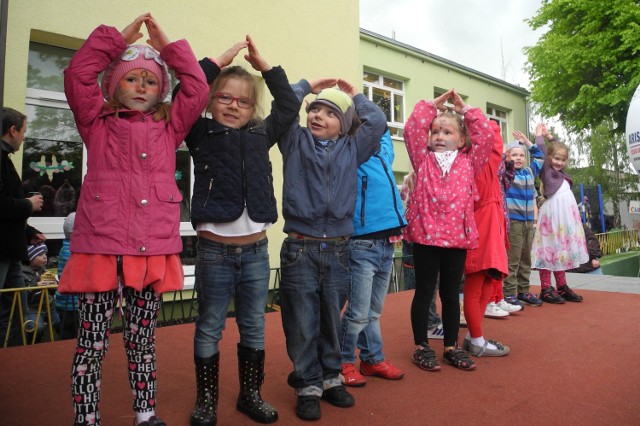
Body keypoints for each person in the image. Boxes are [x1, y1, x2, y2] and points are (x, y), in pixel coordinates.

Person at [58, 14, 208, 426]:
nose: (141, 86)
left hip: (149, 252)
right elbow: (77, 75)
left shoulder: (169, 127)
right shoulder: (95, 122)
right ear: (112, 85)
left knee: (142, 340)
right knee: (91, 342)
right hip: (100, 249)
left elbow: (196, 89)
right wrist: (113, 41)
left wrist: (168, 47)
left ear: (162, 91)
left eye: (151, 80)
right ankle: (86, 417)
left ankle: (146, 415)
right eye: (130, 78)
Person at [176, 37, 299, 426]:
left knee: (254, 324)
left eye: (243, 101)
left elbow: (289, 104)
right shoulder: (200, 132)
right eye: (224, 98)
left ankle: (250, 395)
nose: (233, 106)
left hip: (256, 252)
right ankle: (206, 401)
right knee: (210, 325)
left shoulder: (263, 133)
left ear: (253, 108)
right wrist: (217, 61)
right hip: (214, 252)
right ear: (211, 101)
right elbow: (183, 96)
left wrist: (266, 68)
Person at [278, 80, 386, 420]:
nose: (318, 116)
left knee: (330, 319)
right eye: (314, 109)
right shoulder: (295, 142)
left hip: (339, 249)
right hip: (300, 248)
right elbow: (282, 111)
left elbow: (378, 121)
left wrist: (355, 93)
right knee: (302, 322)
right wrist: (307, 87)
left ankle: (330, 377)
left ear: (345, 123)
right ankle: (307, 384)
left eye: (330, 112)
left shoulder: (353, 148)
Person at [403, 89, 493, 372]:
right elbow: (411, 129)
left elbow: (487, 137)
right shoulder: (422, 158)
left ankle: (451, 347)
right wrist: (431, 106)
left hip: (456, 239)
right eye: (436, 132)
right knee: (425, 291)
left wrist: (466, 111)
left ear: (462, 139)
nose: (439, 136)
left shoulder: (470, 161)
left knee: (452, 295)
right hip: (426, 237)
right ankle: (422, 346)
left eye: (447, 132)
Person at [339, 129, 407, 387]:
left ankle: (372, 359)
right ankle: (343, 361)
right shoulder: (351, 155)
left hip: (387, 245)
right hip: (361, 244)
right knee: (357, 312)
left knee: (373, 311)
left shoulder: (384, 153)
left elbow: (382, 128)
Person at [462, 120, 511, 358]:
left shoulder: (474, 163)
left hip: (489, 232)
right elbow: (495, 138)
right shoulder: (480, 164)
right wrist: (477, 119)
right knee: (475, 289)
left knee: (486, 287)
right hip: (482, 233)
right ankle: (476, 340)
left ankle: (474, 335)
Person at [1, 107, 45, 346]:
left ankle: (16, 355)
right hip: (3, 252)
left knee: (19, 306)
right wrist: (27, 204)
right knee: (10, 307)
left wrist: (29, 232)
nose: (24, 137)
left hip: (12, 251)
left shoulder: (5, 160)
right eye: (24, 131)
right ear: (12, 130)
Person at [531, 123, 589, 303]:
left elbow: (560, 148)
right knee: (548, 248)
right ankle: (546, 288)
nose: (559, 162)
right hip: (552, 216)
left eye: (562, 160)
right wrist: (539, 136)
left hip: (566, 218)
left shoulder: (561, 172)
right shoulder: (546, 169)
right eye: (556, 159)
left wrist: (551, 137)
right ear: (549, 158)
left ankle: (562, 286)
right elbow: (540, 150)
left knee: (560, 249)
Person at [400, 171, 445, 337]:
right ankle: (430, 323)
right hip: (421, 235)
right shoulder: (414, 179)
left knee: (430, 283)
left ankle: (430, 321)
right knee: (427, 284)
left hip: (426, 234)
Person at [503, 130, 545, 308]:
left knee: (526, 258)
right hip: (513, 222)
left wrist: (527, 142)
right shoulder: (507, 173)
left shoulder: (529, 171)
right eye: (514, 155)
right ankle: (509, 293)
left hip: (528, 223)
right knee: (513, 259)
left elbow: (541, 157)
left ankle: (523, 290)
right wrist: (504, 154)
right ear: (508, 157)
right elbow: (499, 162)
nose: (518, 158)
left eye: (521, 155)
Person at [21, 243, 61, 341]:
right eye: (40, 255)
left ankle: (65, 345)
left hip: (49, 306)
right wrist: (36, 286)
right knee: (36, 328)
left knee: (62, 323)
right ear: (30, 258)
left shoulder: (44, 271)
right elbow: (22, 294)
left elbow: (54, 291)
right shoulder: (22, 274)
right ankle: (33, 347)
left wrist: (54, 285)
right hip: (32, 309)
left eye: (45, 254)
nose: (45, 257)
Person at [55, 212, 79, 340]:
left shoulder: (64, 247)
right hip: (72, 302)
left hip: (63, 300)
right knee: (70, 335)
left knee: (68, 333)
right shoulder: (73, 251)